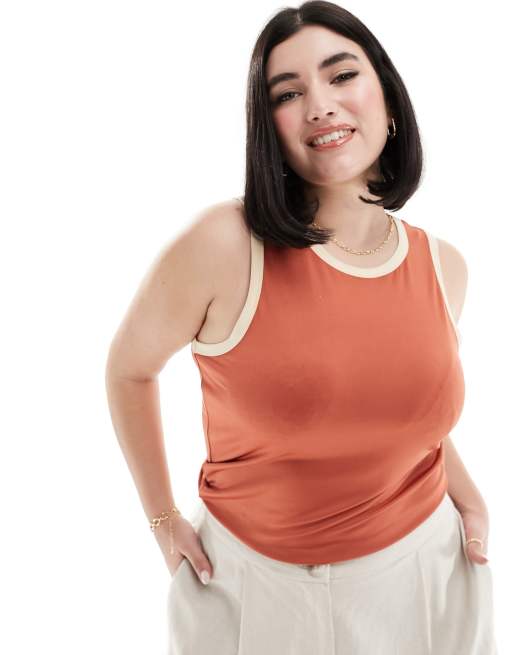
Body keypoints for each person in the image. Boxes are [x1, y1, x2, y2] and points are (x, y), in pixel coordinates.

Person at [105, 1, 498, 653]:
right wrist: (162, 519)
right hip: (257, 588)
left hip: (429, 574)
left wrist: (470, 496)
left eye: (341, 75)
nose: (319, 105)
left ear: (388, 100)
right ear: (270, 130)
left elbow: (393, 411)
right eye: (288, 94)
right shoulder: (225, 246)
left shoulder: (442, 266)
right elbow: (128, 370)